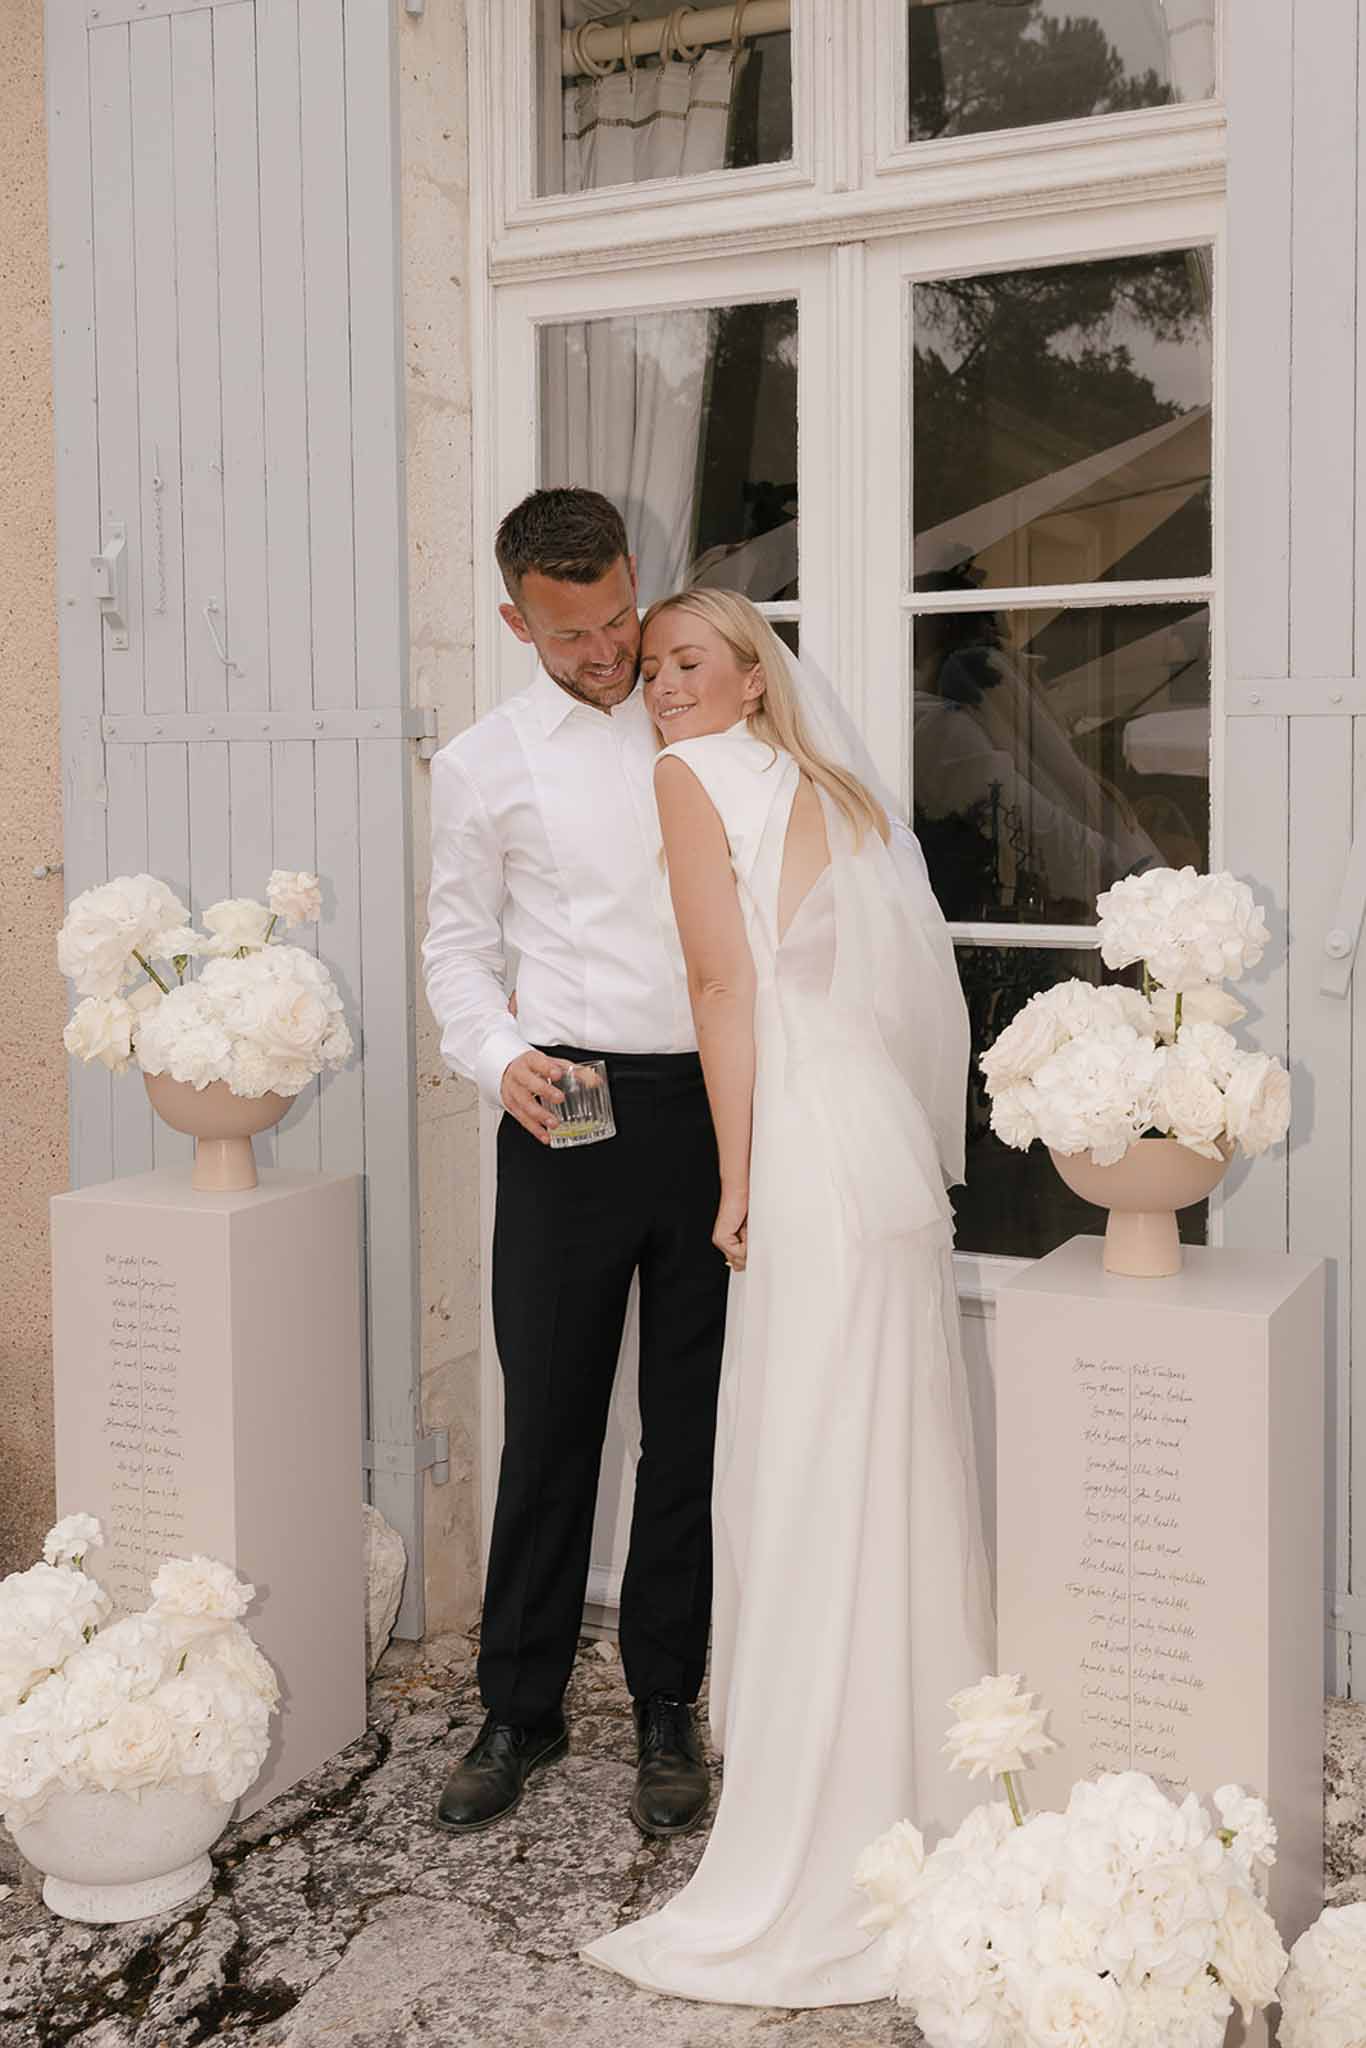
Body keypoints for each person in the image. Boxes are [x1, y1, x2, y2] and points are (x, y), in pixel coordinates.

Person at [582, 590, 995, 2007]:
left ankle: (818, 1823)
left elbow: (719, 984)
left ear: (754, 679)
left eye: (689, 664)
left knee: (809, 1467)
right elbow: (897, 1005)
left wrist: (735, 1176)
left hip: (814, 1157)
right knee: (886, 1464)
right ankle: (914, 1789)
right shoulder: (845, 799)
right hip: (881, 1148)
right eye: (648, 672)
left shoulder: (689, 778)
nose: (661, 690)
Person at [422, 489, 729, 1840]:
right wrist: (498, 1061)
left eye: (617, 620)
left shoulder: (710, 713)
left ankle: (667, 1704)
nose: (606, 655)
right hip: (570, 1105)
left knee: (687, 1428)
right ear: (513, 622)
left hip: (709, 1106)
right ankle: (518, 1709)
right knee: (546, 1418)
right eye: (572, 637)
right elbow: (453, 949)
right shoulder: (482, 762)